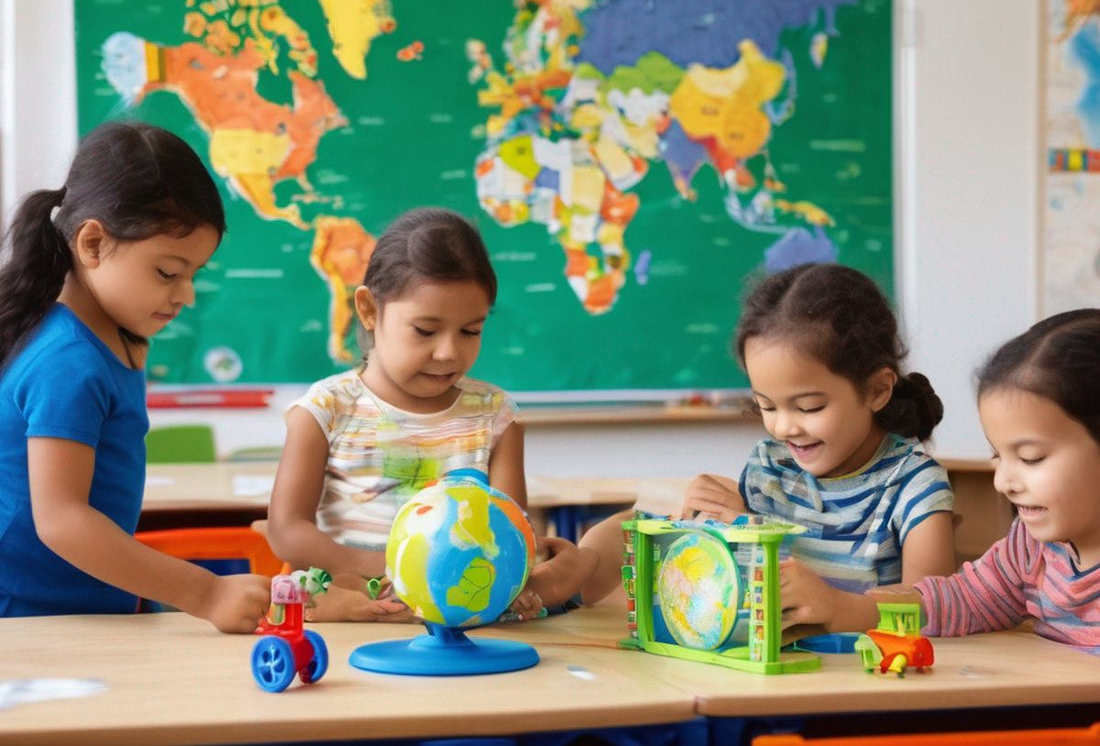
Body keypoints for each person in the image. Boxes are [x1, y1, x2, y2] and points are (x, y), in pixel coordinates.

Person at [0, 121, 270, 631]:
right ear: (93, 243)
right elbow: (61, 521)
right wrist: (206, 593)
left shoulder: (115, 339)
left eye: (194, 274)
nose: (186, 295)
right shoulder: (68, 361)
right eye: (168, 273)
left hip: (82, 612)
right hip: (30, 619)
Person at [267, 206, 591, 621]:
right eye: (424, 330)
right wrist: (389, 567)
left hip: (459, 617)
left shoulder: (495, 417)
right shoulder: (326, 409)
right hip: (353, 614)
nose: (448, 352)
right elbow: (286, 530)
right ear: (369, 310)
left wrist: (533, 570)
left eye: (471, 331)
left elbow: (506, 528)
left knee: (581, 567)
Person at [574, 264, 958, 613]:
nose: (784, 428)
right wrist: (719, 529)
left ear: (877, 389)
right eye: (767, 407)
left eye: (808, 407)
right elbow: (731, 589)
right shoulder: (769, 468)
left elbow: (931, 611)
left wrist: (834, 606)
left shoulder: (915, 486)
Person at [790, 310, 1100, 654]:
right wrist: (840, 607)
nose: (1003, 482)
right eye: (998, 455)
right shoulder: (1029, 549)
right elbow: (964, 600)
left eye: (1030, 458)